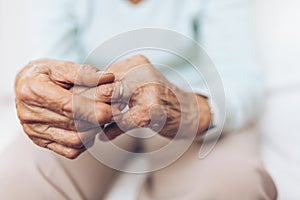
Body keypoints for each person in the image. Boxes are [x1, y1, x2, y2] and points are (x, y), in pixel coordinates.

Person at [0, 0, 277, 199]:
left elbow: (241, 77)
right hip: (93, 110)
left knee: (233, 187)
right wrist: (40, 88)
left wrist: (193, 111)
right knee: (15, 179)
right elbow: (51, 62)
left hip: (191, 103)